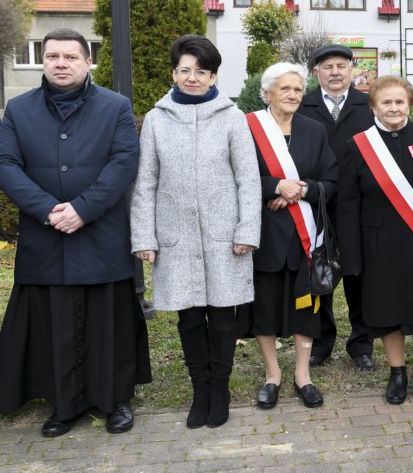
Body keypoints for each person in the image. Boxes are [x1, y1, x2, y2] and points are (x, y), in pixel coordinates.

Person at [0, 28, 151, 437]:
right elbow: (7, 165)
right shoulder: (18, 109)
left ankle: (115, 400)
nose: (61, 64)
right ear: (44, 62)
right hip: (46, 237)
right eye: (52, 57)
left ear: (88, 62)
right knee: (55, 322)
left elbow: (124, 162)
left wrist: (83, 210)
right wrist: (49, 210)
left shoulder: (116, 106)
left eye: (70, 57)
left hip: (100, 235)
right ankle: (63, 405)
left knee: (108, 321)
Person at [130, 34, 260, 429]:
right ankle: (199, 390)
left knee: (223, 316)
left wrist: (247, 229)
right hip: (176, 238)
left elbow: (248, 180)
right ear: (174, 73)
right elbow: (145, 182)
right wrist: (144, 237)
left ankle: (219, 389)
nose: (192, 77)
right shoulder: (156, 118)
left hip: (225, 238)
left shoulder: (232, 117)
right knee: (188, 318)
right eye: (185, 70)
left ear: (213, 76)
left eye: (200, 71)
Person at [337, 76, 413, 404]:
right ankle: (397, 372)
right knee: (385, 309)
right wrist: (351, 255)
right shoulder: (358, 145)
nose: (393, 108)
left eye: (399, 102)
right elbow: (347, 204)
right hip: (378, 245)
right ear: (374, 107)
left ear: (409, 103)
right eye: (386, 103)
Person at [236, 62, 338, 410]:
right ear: (266, 94)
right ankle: (272, 375)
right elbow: (235, 176)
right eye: (285, 89)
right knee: (264, 308)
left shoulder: (314, 130)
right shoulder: (247, 127)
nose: (293, 95)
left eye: (297, 89)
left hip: (303, 239)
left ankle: (302, 375)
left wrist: (301, 190)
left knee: (305, 309)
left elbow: (331, 181)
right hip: (263, 236)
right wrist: (274, 186)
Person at [299, 45, 375, 371]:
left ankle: (362, 345)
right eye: (327, 66)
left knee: (360, 277)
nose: (334, 72)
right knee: (322, 275)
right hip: (318, 206)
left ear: (352, 70)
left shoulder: (369, 106)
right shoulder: (303, 106)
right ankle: (321, 342)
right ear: (316, 72)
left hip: (360, 206)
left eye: (341, 66)